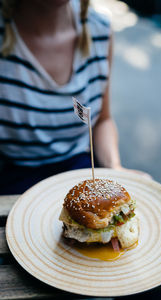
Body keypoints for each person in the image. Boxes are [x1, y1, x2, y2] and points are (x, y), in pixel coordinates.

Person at [0, 0, 150, 195]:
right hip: (13, 175)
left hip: (80, 168)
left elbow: (102, 120)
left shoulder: (100, 30)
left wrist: (115, 167)